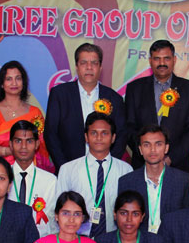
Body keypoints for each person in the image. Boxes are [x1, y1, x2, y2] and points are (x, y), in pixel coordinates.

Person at [44, 43, 127, 172]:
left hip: (104, 170)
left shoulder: (114, 98)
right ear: (77, 66)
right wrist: (65, 168)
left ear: (100, 67)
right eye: (83, 63)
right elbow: (51, 134)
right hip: (69, 168)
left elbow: (121, 136)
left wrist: (108, 166)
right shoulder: (59, 94)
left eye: (94, 63)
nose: (89, 67)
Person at [124, 39, 189, 172]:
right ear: (150, 61)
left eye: (166, 58)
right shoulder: (134, 88)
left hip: (177, 166)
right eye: (157, 59)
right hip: (142, 165)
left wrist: (171, 158)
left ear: (174, 60)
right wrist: (146, 155)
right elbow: (129, 127)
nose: (162, 63)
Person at [55, 112, 132, 237]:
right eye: (94, 133)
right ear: (86, 137)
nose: (99, 137)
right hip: (78, 237)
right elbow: (59, 209)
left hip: (114, 237)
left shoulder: (125, 170)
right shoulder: (68, 169)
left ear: (113, 138)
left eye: (105, 133)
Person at [0, 60, 53, 172]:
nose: (14, 83)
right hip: (2, 172)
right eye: (9, 79)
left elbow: (42, 146)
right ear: (2, 84)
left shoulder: (35, 112)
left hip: (31, 170)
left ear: (23, 83)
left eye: (18, 78)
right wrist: (12, 151)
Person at [117, 124, 189, 233]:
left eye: (158, 144)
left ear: (166, 148)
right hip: (139, 240)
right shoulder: (127, 182)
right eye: (147, 145)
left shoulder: (183, 181)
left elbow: (187, 220)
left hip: (172, 241)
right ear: (140, 149)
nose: (153, 150)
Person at [7, 120, 57, 237]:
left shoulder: (50, 181)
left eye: (29, 141)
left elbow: (53, 220)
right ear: (11, 144)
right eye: (18, 141)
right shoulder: (2, 177)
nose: (23, 146)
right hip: (7, 240)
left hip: (40, 241)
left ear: (37, 144)